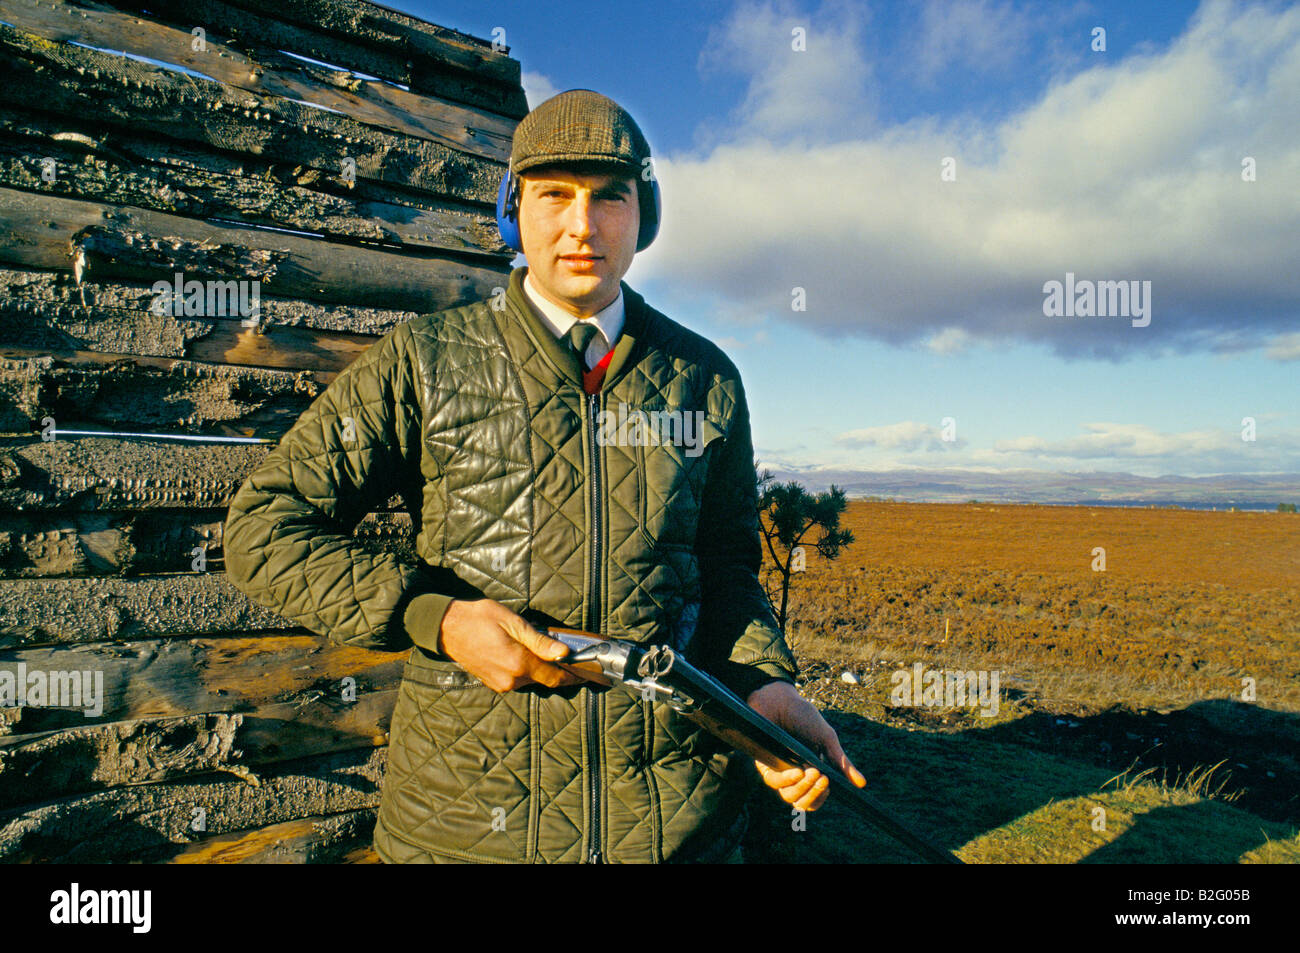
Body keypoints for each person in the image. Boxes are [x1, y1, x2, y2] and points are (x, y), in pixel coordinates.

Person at [224, 88, 864, 864]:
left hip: (679, 833)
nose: (581, 225)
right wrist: (440, 618)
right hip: (462, 834)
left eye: (609, 197)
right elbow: (263, 528)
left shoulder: (706, 378)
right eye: (554, 194)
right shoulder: (427, 362)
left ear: (645, 214)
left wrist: (762, 687)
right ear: (513, 208)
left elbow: (729, 569)